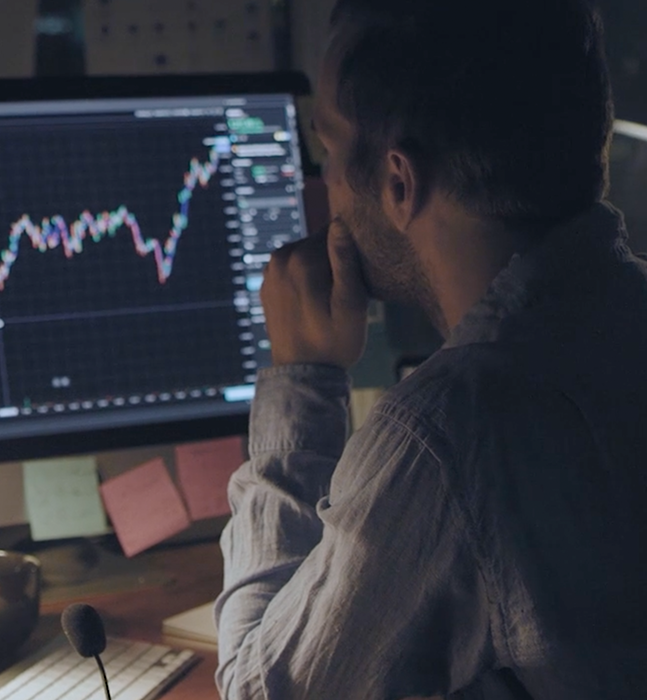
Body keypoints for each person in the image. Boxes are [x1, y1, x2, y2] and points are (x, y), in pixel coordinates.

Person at [214, 0, 647, 698]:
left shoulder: (450, 432)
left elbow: (258, 692)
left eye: (325, 148)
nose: (319, 183)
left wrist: (299, 378)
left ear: (396, 183)